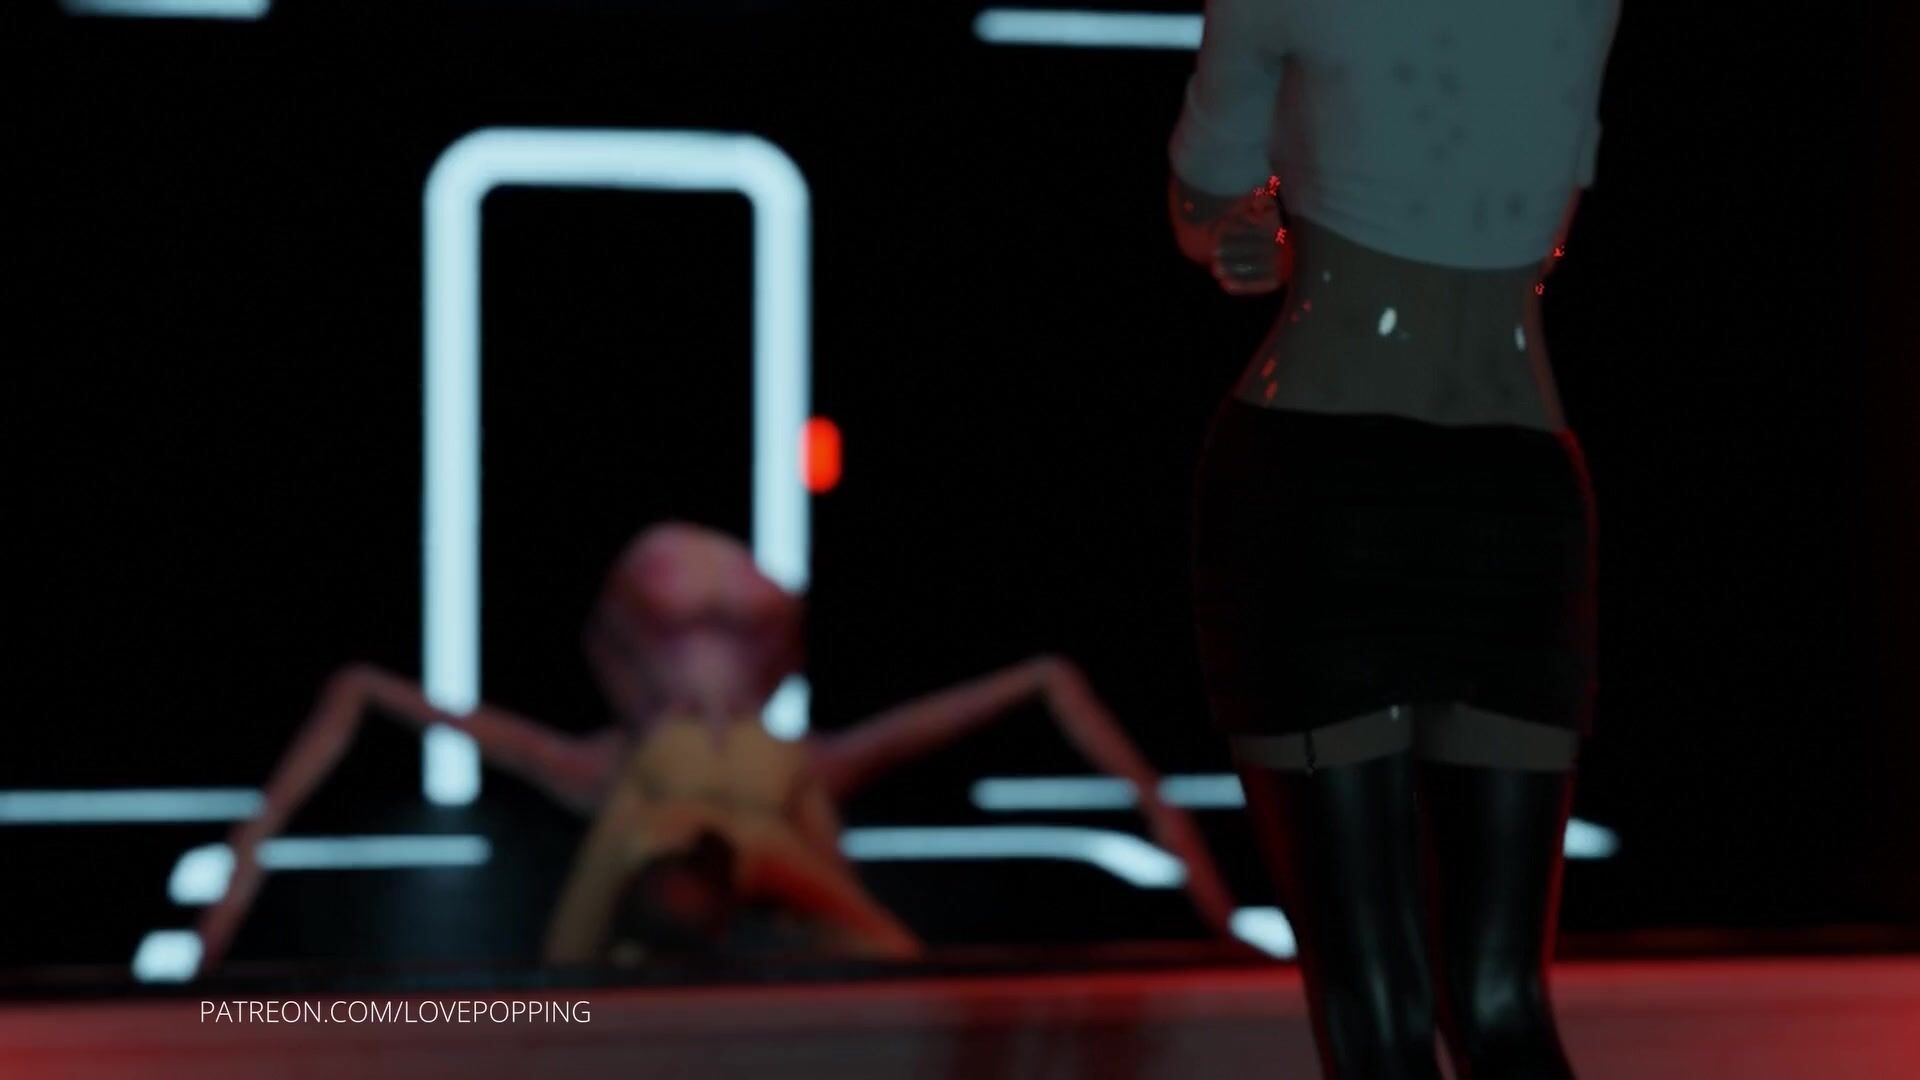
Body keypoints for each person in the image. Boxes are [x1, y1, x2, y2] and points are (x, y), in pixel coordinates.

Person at [1171, 3, 1620, 1077]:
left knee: (1372, 1001)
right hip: (1517, 477)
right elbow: (1532, 238)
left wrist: (1259, 231)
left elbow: (1207, 208)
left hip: (1316, 471)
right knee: (1503, 994)